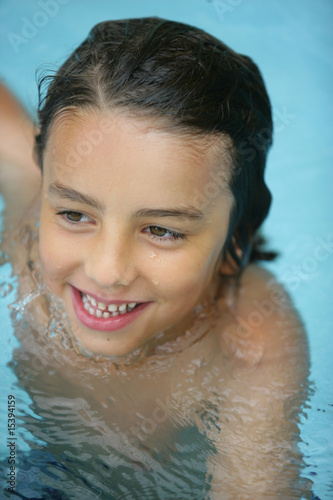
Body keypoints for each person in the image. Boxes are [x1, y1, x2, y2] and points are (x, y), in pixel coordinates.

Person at [0, 17, 312, 498]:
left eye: (161, 230)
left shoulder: (248, 336)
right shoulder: (28, 236)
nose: (106, 270)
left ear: (234, 243)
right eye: (74, 214)